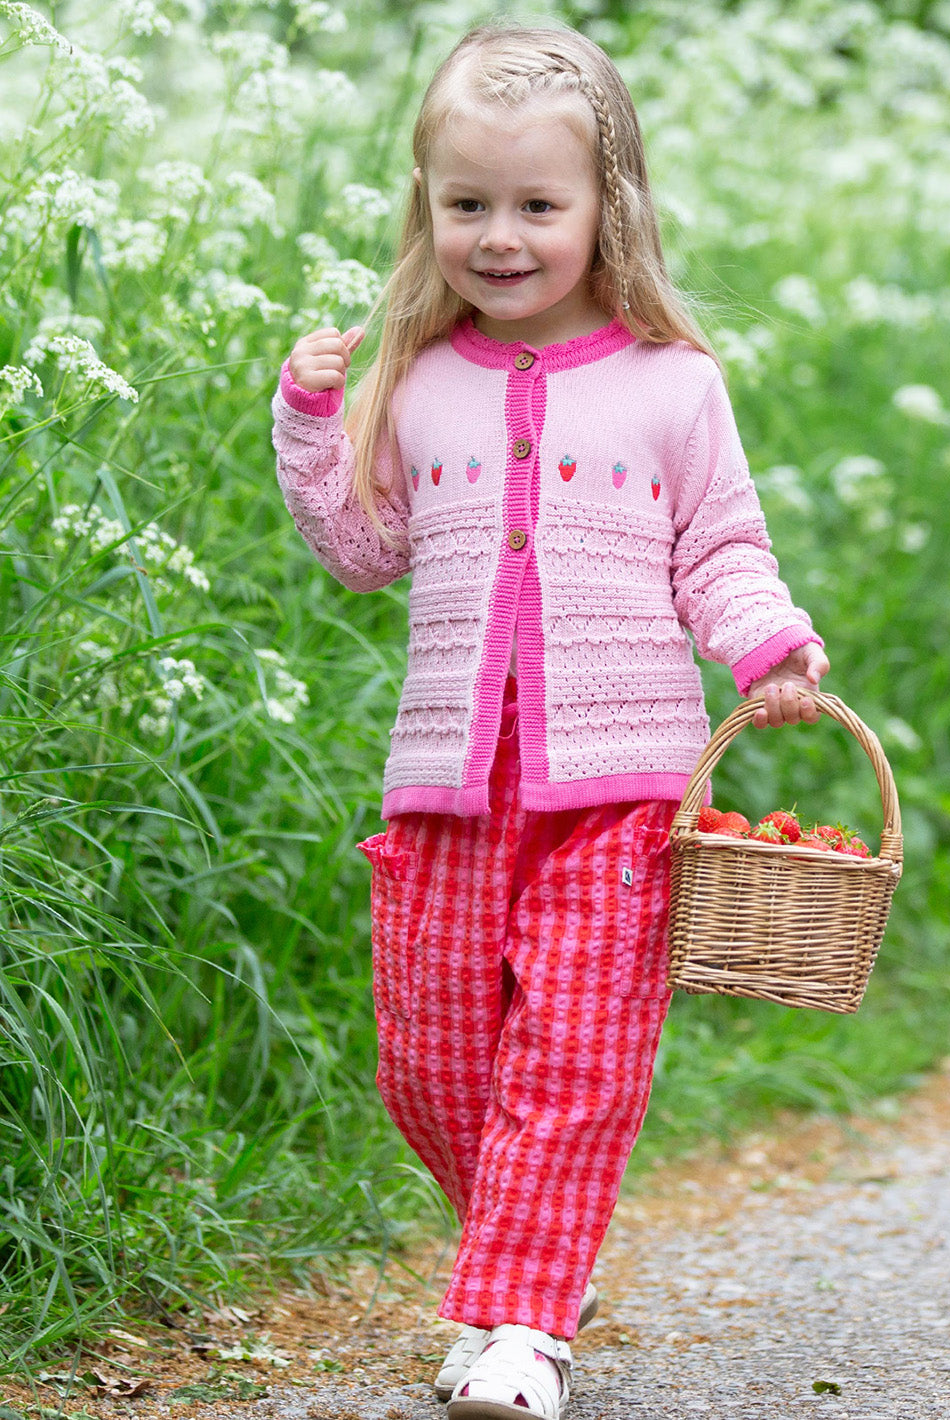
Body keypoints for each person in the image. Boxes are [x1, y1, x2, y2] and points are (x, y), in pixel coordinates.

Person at [270, 21, 829, 1420]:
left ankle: (520, 1325)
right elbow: (360, 548)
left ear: (606, 209)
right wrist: (308, 417)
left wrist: (763, 643)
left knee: (574, 1063)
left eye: (535, 207)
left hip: (617, 789)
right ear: (426, 210)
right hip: (450, 792)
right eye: (467, 205)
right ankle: (534, 1247)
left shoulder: (669, 384)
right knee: (430, 1064)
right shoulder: (419, 378)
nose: (498, 236)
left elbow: (719, 547)